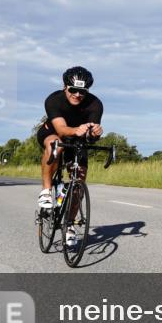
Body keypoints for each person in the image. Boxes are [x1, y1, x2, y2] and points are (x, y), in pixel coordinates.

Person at [36, 67, 103, 246]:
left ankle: (70, 224)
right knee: (55, 145)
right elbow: (61, 129)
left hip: (77, 140)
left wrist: (95, 133)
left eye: (82, 91)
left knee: (79, 181)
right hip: (53, 133)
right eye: (73, 90)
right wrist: (77, 130)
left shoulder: (95, 104)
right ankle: (46, 191)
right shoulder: (54, 100)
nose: (77, 95)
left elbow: (90, 136)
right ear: (65, 86)